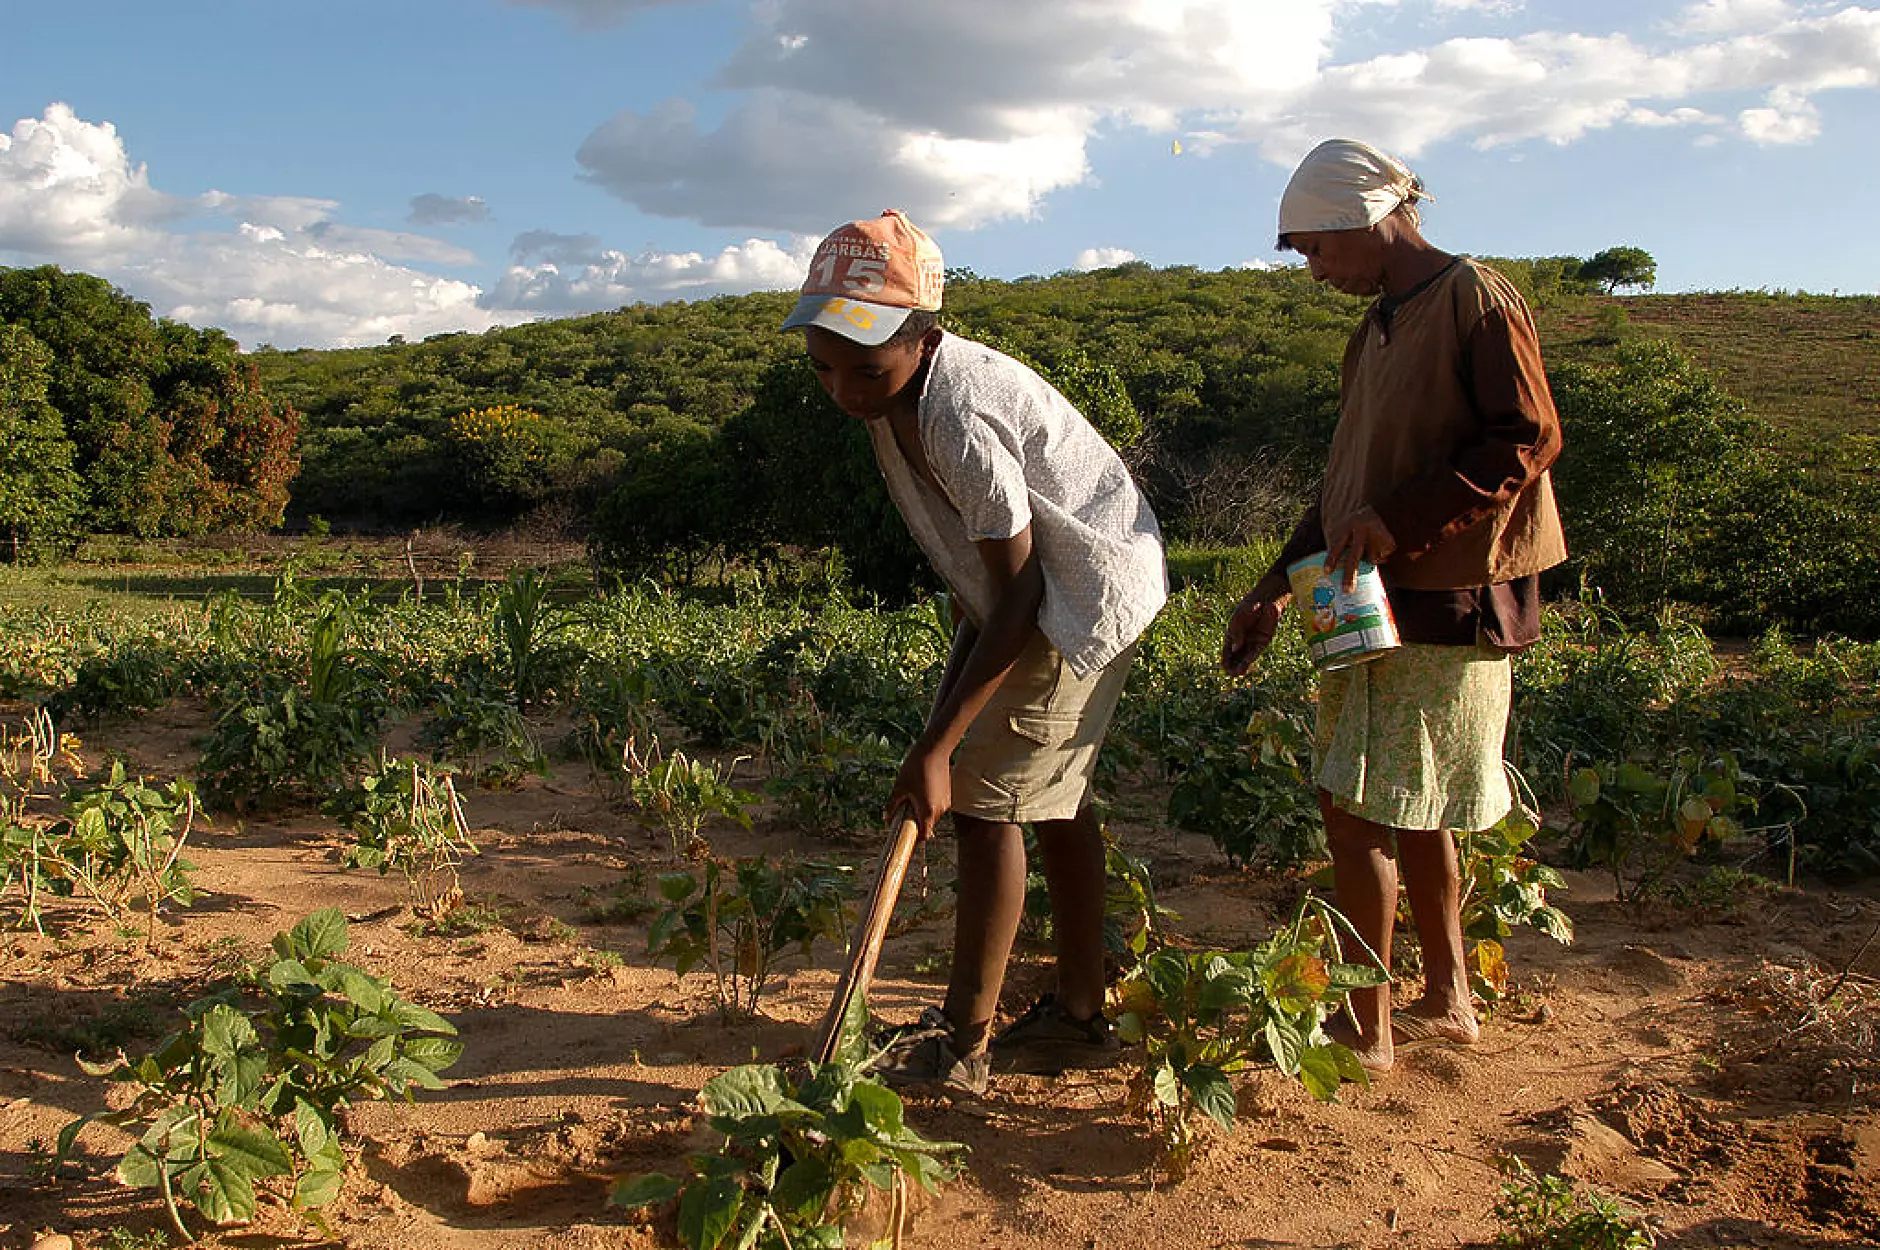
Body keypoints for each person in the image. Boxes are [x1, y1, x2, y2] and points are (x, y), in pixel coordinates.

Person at [780, 209, 1168, 1094]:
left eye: (863, 368)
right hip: (1049, 593)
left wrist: (939, 749)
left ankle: (964, 1043)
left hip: (1081, 595)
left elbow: (1025, 594)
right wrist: (937, 733)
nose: (843, 390)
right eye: (824, 368)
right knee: (1055, 803)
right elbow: (987, 591)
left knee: (989, 807)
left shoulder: (954, 409)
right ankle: (1078, 1015)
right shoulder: (891, 400)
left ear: (923, 337)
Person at [1221, 139, 1567, 1074]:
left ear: (1362, 223)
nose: (1314, 270)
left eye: (1315, 250)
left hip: (1446, 592)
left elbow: (1527, 437)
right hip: (1366, 592)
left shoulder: (1474, 299)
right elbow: (1347, 488)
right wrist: (1273, 589)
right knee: (1409, 809)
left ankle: (1365, 1026)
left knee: (1358, 806)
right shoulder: (1375, 327)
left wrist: (1398, 521)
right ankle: (1445, 998)